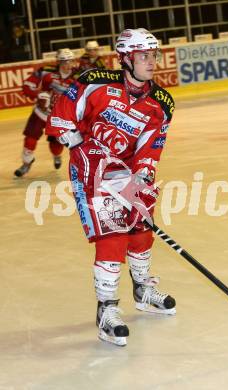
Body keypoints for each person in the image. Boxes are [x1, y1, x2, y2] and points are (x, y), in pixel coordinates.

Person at [45, 28, 176, 347]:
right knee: (112, 236)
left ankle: (143, 289)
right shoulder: (94, 83)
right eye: (144, 56)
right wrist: (80, 146)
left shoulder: (161, 103)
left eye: (153, 55)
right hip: (91, 171)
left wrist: (143, 174)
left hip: (127, 172)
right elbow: (61, 118)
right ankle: (107, 311)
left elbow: (151, 145)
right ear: (126, 59)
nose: (151, 62)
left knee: (143, 229)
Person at [14, 48, 77, 177]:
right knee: (30, 139)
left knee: (56, 143)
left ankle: (57, 155)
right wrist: (38, 94)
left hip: (60, 116)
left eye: (70, 61)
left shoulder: (79, 77)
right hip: (40, 112)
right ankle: (26, 163)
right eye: (63, 62)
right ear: (58, 62)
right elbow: (27, 86)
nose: (67, 65)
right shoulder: (45, 71)